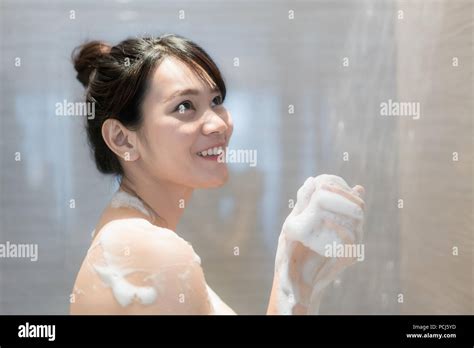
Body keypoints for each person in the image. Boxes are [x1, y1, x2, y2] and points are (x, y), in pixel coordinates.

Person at [69, 34, 365, 315]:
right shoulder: (149, 252)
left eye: (216, 101)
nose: (219, 125)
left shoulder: (132, 237)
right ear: (123, 139)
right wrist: (294, 279)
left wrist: (302, 274)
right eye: (184, 106)